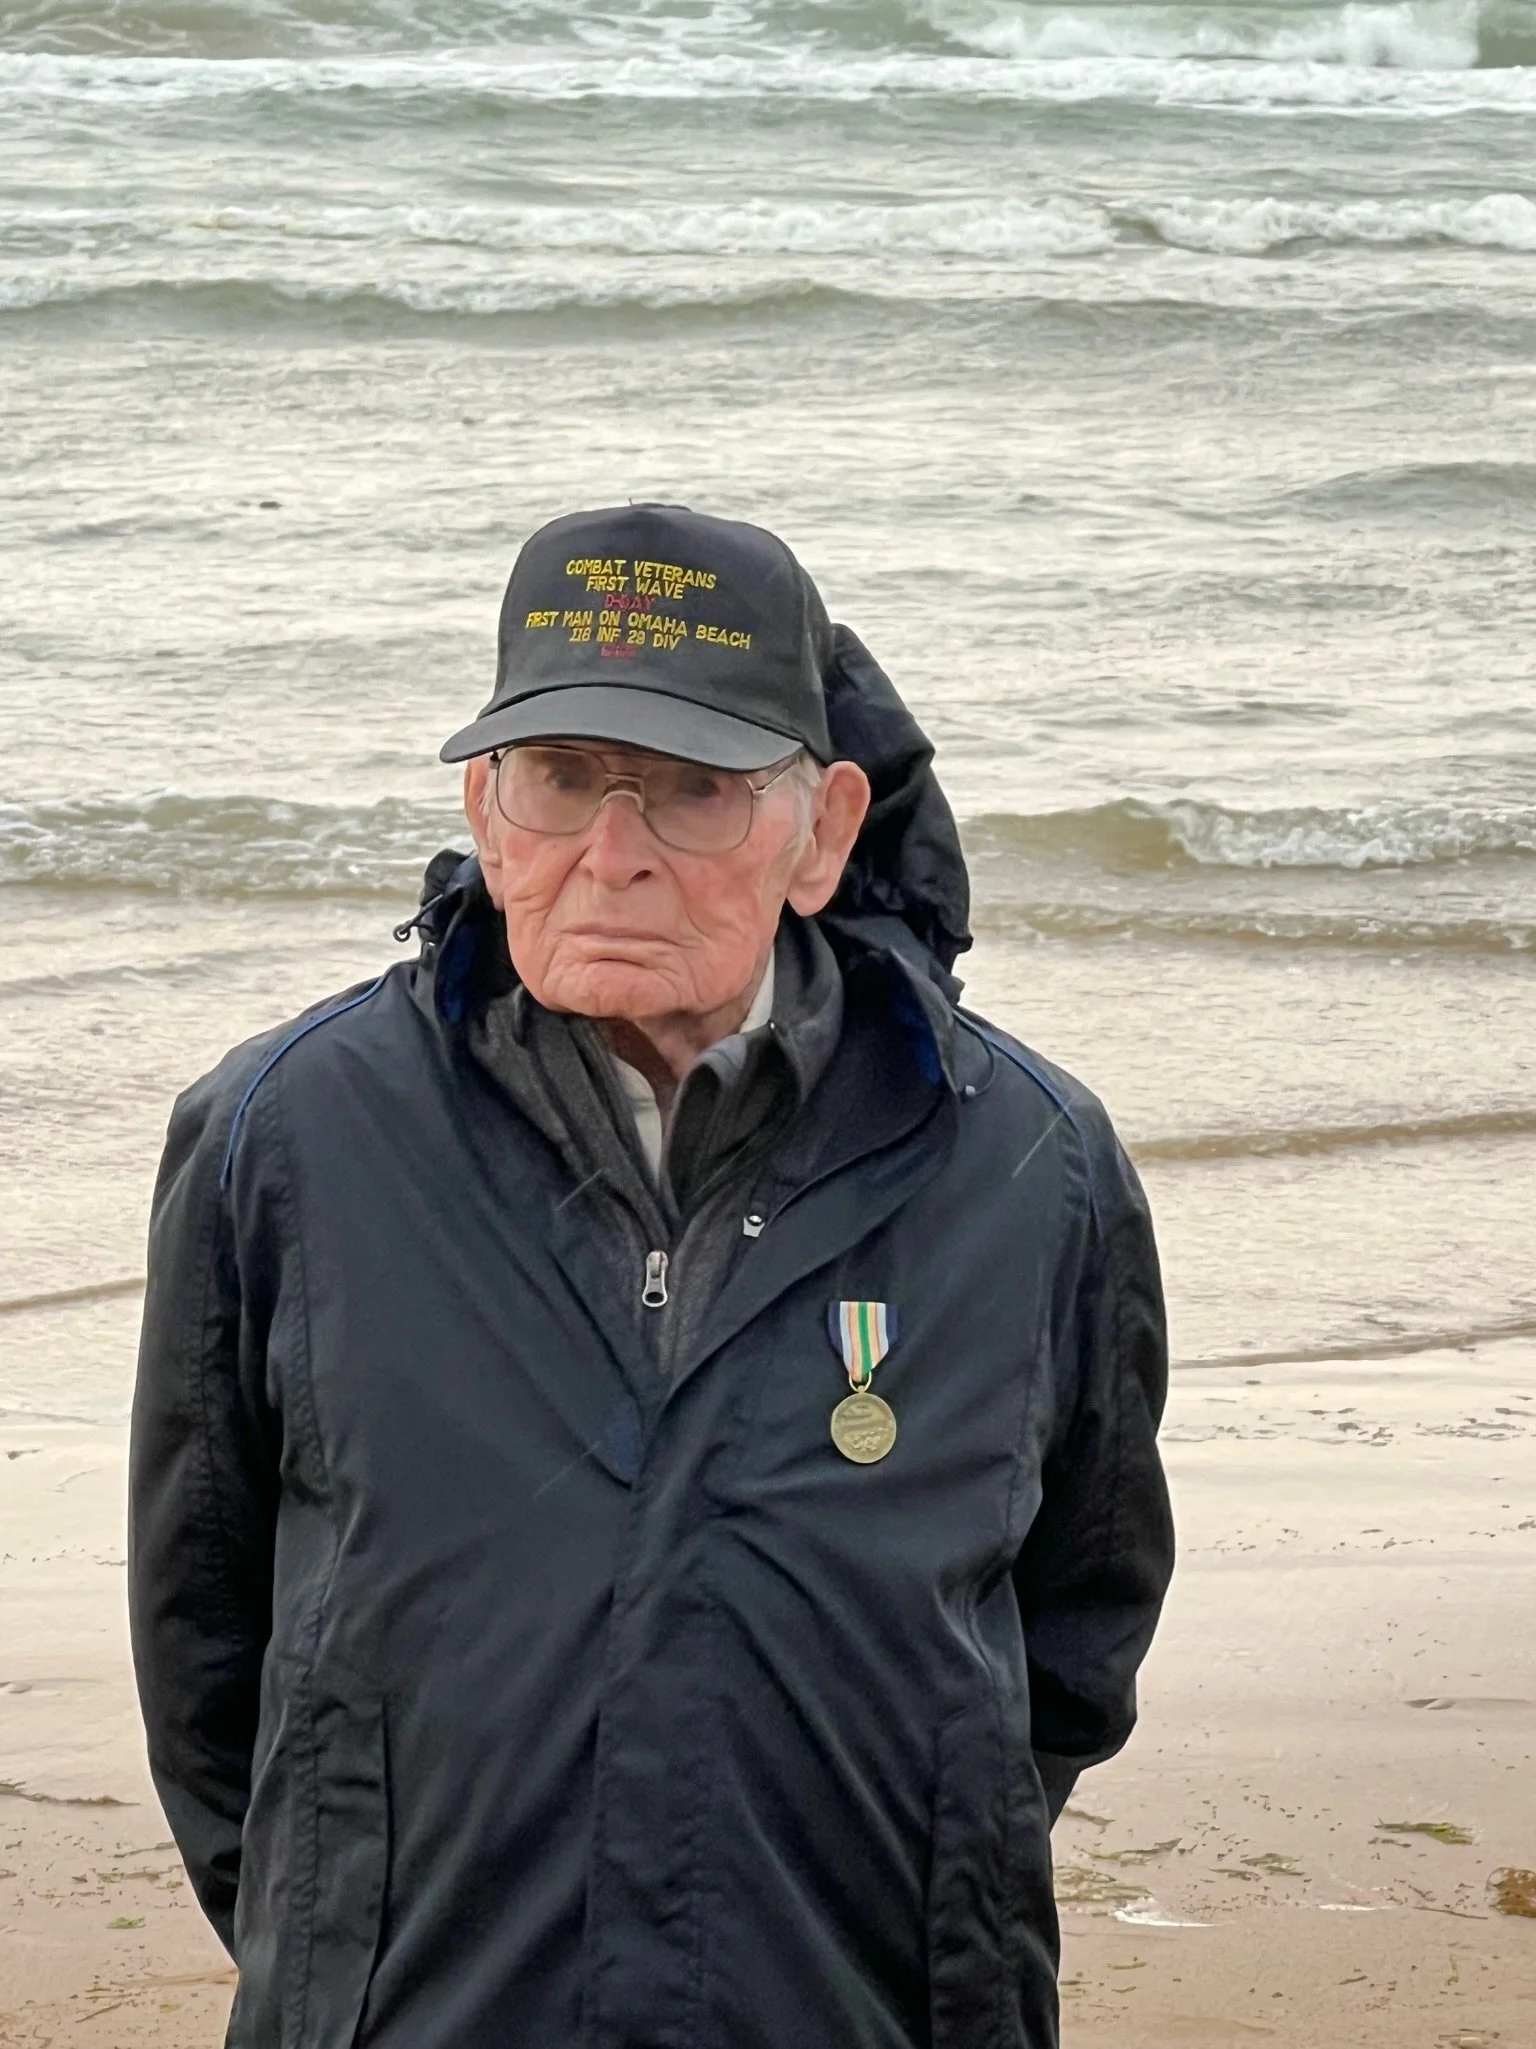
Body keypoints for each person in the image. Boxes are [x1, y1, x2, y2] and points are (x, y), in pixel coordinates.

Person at [129, 503, 1174, 2049]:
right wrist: (339, 1944)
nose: (611, 857)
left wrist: (917, 1895)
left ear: (823, 827)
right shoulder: (281, 1136)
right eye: (559, 781)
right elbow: (204, 1652)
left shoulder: (1032, 1164)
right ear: (487, 808)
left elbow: (1078, 1634)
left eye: (692, 791)